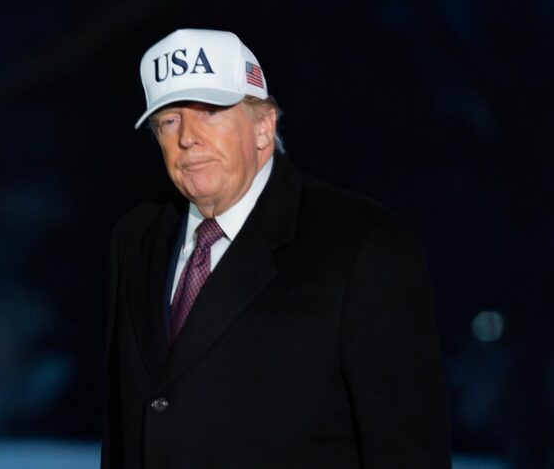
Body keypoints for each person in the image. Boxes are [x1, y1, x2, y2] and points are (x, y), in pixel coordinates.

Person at [103, 28, 451, 469]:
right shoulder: (135, 240)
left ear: (263, 126)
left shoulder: (363, 246)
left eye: (210, 111)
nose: (187, 137)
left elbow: (407, 453)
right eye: (168, 120)